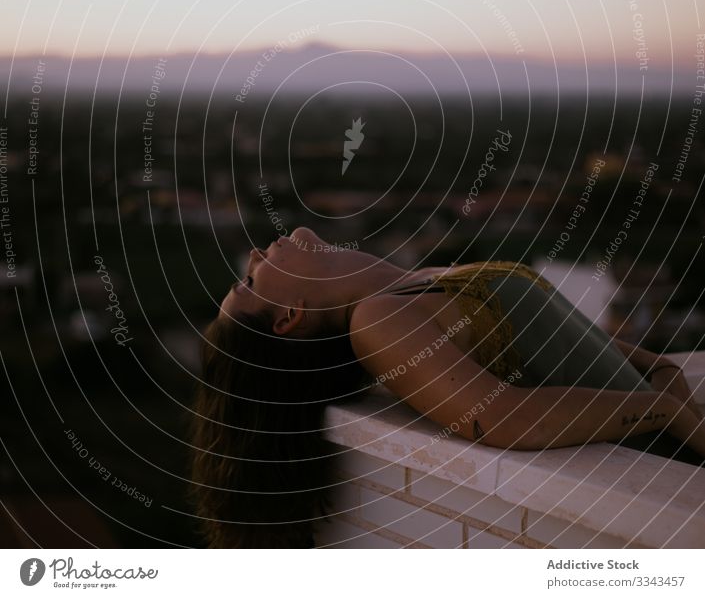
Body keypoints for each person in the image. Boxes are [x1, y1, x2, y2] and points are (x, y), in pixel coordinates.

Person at [191, 226, 705, 548]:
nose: (256, 255)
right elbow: (499, 416)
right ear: (289, 318)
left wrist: (657, 366)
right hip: (672, 457)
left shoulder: (408, 287)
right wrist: (665, 409)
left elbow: (554, 336)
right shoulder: (380, 319)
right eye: (251, 283)